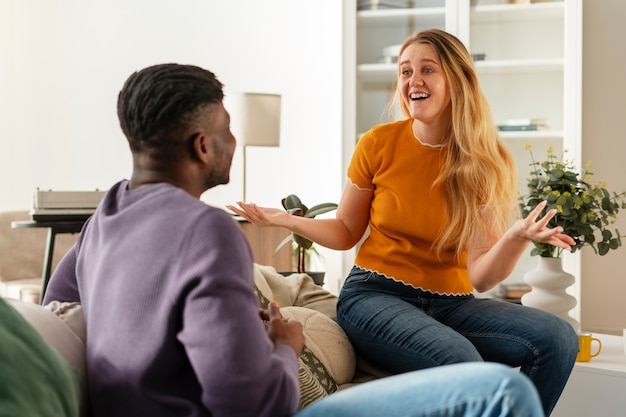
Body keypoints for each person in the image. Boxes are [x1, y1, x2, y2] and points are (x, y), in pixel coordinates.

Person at [43, 62, 545, 417]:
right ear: (202, 145)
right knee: (500, 388)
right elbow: (251, 403)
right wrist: (286, 346)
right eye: (227, 127)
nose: (233, 140)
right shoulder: (208, 230)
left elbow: (58, 310)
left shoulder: (102, 219)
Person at [229, 29, 579, 416]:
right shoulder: (378, 143)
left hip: (453, 304)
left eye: (427, 70)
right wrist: (287, 221)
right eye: (405, 71)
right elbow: (346, 232)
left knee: (559, 338)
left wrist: (514, 237)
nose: (414, 81)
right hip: (375, 297)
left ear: (456, 80)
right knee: (462, 360)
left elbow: (481, 277)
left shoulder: (486, 159)